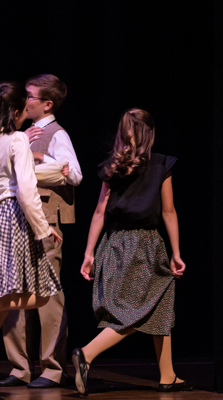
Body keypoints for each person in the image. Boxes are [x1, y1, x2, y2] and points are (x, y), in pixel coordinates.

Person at [72, 108, 191, 395]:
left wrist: (89, 253)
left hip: (114, 244)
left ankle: (167, 374)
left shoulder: (112, 167)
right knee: (136, 312)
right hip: (145, 245)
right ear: (150, 133)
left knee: (159, 302)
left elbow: (99, 212)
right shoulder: (161, 164)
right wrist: (176, 252)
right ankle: (87, 354)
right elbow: (168, 211)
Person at [0, 82, 62, 400]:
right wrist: (43, 227)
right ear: (17, 112)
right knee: (40, 296)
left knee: (0, 307)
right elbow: (25, 189)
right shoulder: (17, 139)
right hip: (12, 217)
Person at [0, 74, 82, 389]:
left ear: (47, 104)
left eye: (30, 96)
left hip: (46, 219)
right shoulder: (21, 132)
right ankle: (19, 367)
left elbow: (74, 175)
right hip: (16, 218)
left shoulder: (57, 134)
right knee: (14, 293)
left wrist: (42, 157)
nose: (25, 100)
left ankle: (51, 368)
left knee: (47, 293)